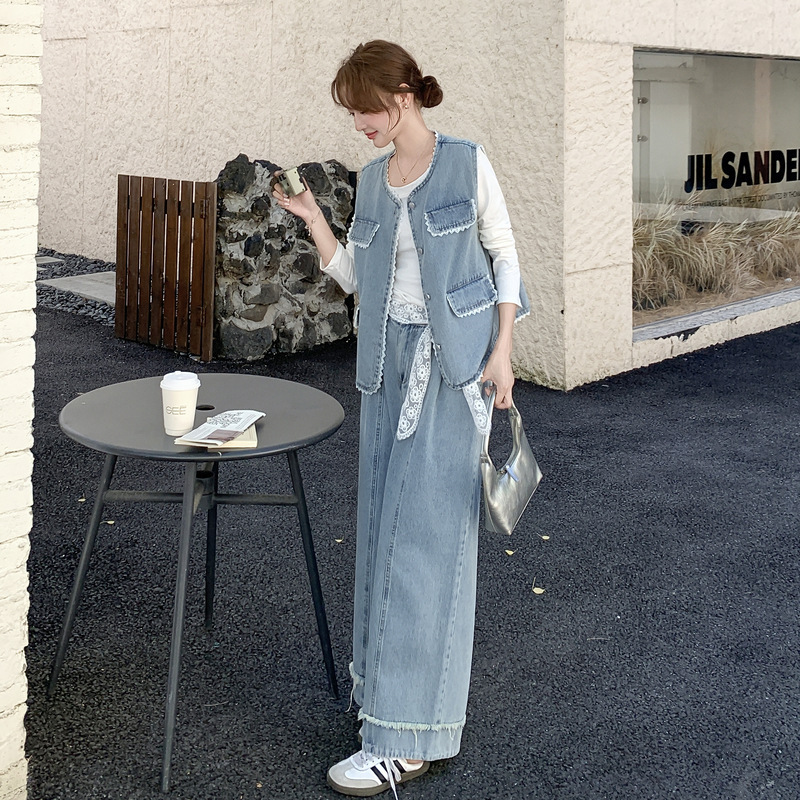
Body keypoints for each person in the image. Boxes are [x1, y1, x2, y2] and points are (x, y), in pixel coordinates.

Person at [273, 39, 529, 799]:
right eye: (353, 113)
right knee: (385, 538)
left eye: (368, 109)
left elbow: (505, 256)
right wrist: (314, 218)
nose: (360, 124)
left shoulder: (466, 163)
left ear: (406, 96)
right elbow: (359, 276)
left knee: (427, 548)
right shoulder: (372, 181)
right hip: (386, 372)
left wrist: (504, 351)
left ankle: (406, 742)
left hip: (454, 375)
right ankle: (386, 705)